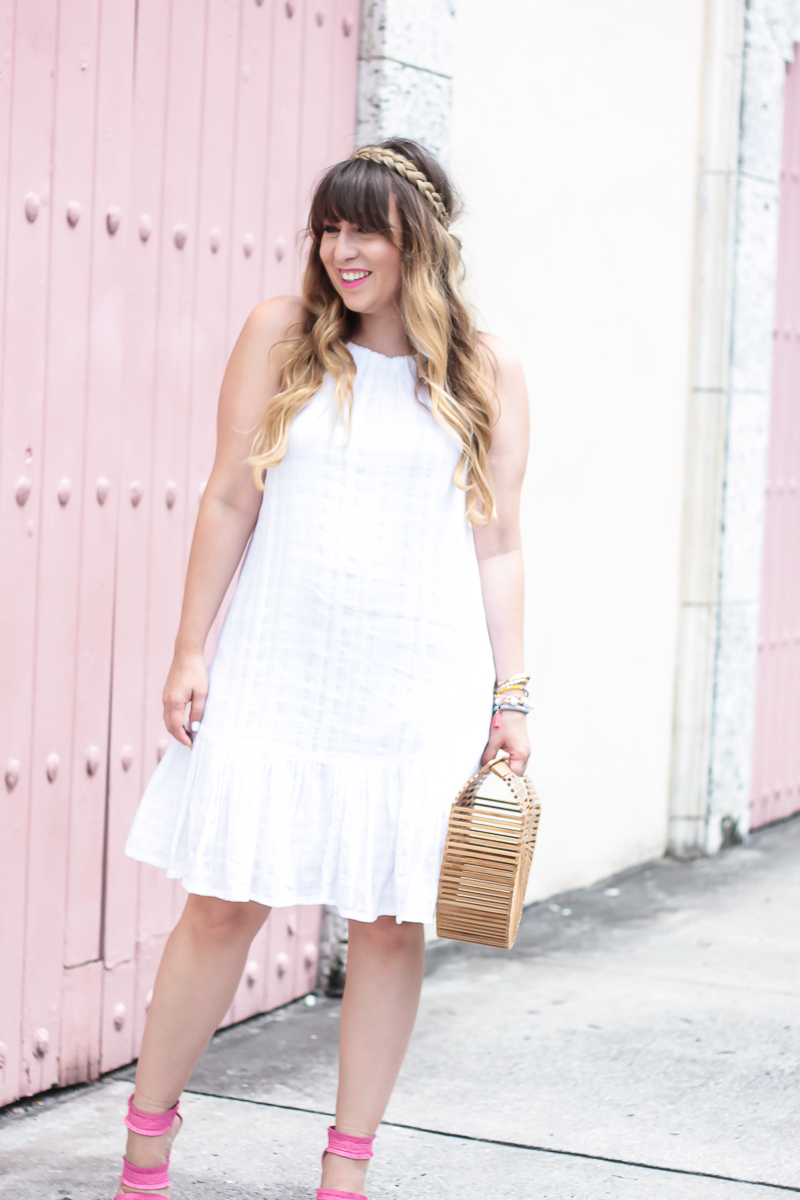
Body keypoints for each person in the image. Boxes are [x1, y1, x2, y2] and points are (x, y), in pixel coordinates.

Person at [115, 138, 530, 1200]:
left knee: (390, 926)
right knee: (220, 904)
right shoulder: (279, 335)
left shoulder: (483, 371)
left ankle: (343, 1176)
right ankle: (145, 1150)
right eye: (330, 229)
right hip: (278, 662)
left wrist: (510, 697)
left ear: (418, 241)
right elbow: (226, 496)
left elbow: (497, 543)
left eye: (367, 231)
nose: (343, 251)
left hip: (413, 686)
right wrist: (190, 644)